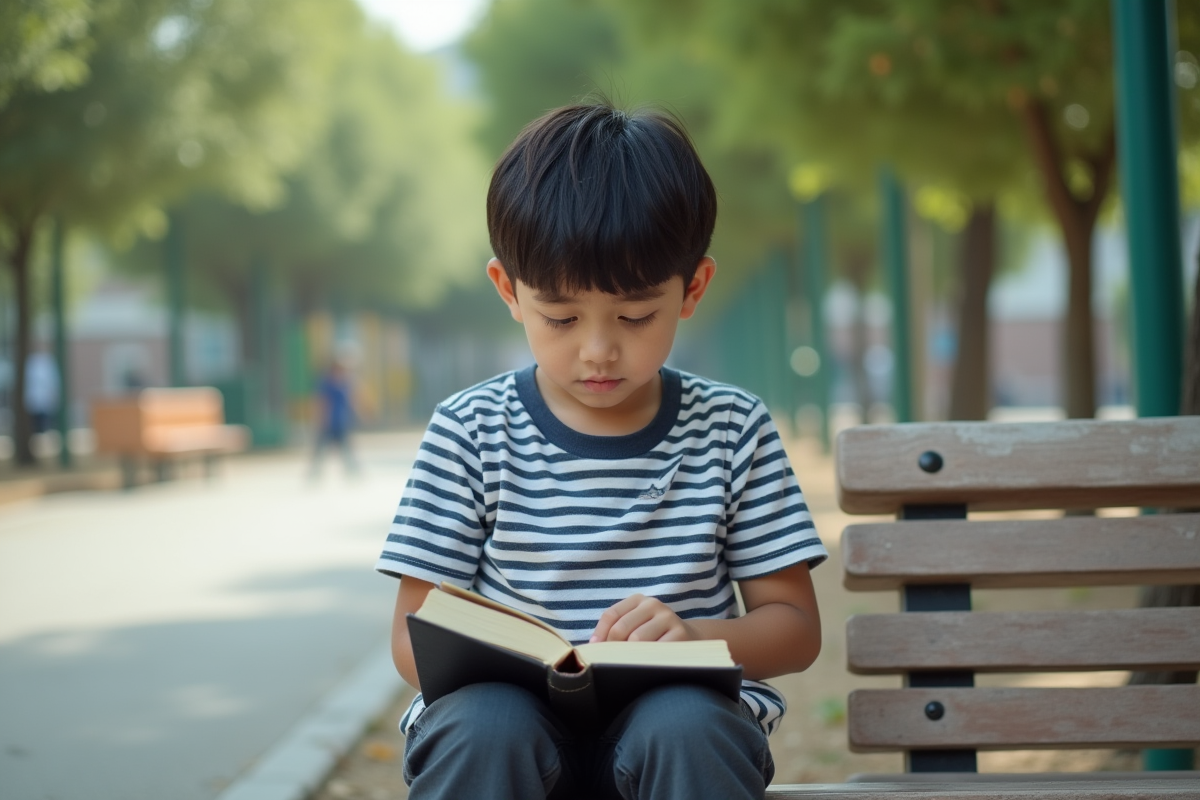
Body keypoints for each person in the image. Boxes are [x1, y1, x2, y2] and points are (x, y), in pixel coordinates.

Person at [376, 101, 827, 800]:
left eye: (635, 315)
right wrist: (507, 660)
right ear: (509, 291)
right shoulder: (470, 430)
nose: (597, 350)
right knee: (481, 726)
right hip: (509, 740)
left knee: (687, 725)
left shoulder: (732, 428)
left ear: (692, 289)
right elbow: (412, 635)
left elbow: (795, 628)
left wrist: (693, 637)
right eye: (560, 317)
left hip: (678, 739)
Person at [310, 354, 358, 476]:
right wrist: (320, 419)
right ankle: (314, 473)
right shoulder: (326, 383)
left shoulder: (345, 383)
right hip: (328, 422)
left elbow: (351, 400)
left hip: (341, 421)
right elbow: (322, 402)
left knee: (346, 449)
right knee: (320, 449)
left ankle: (352, 472)